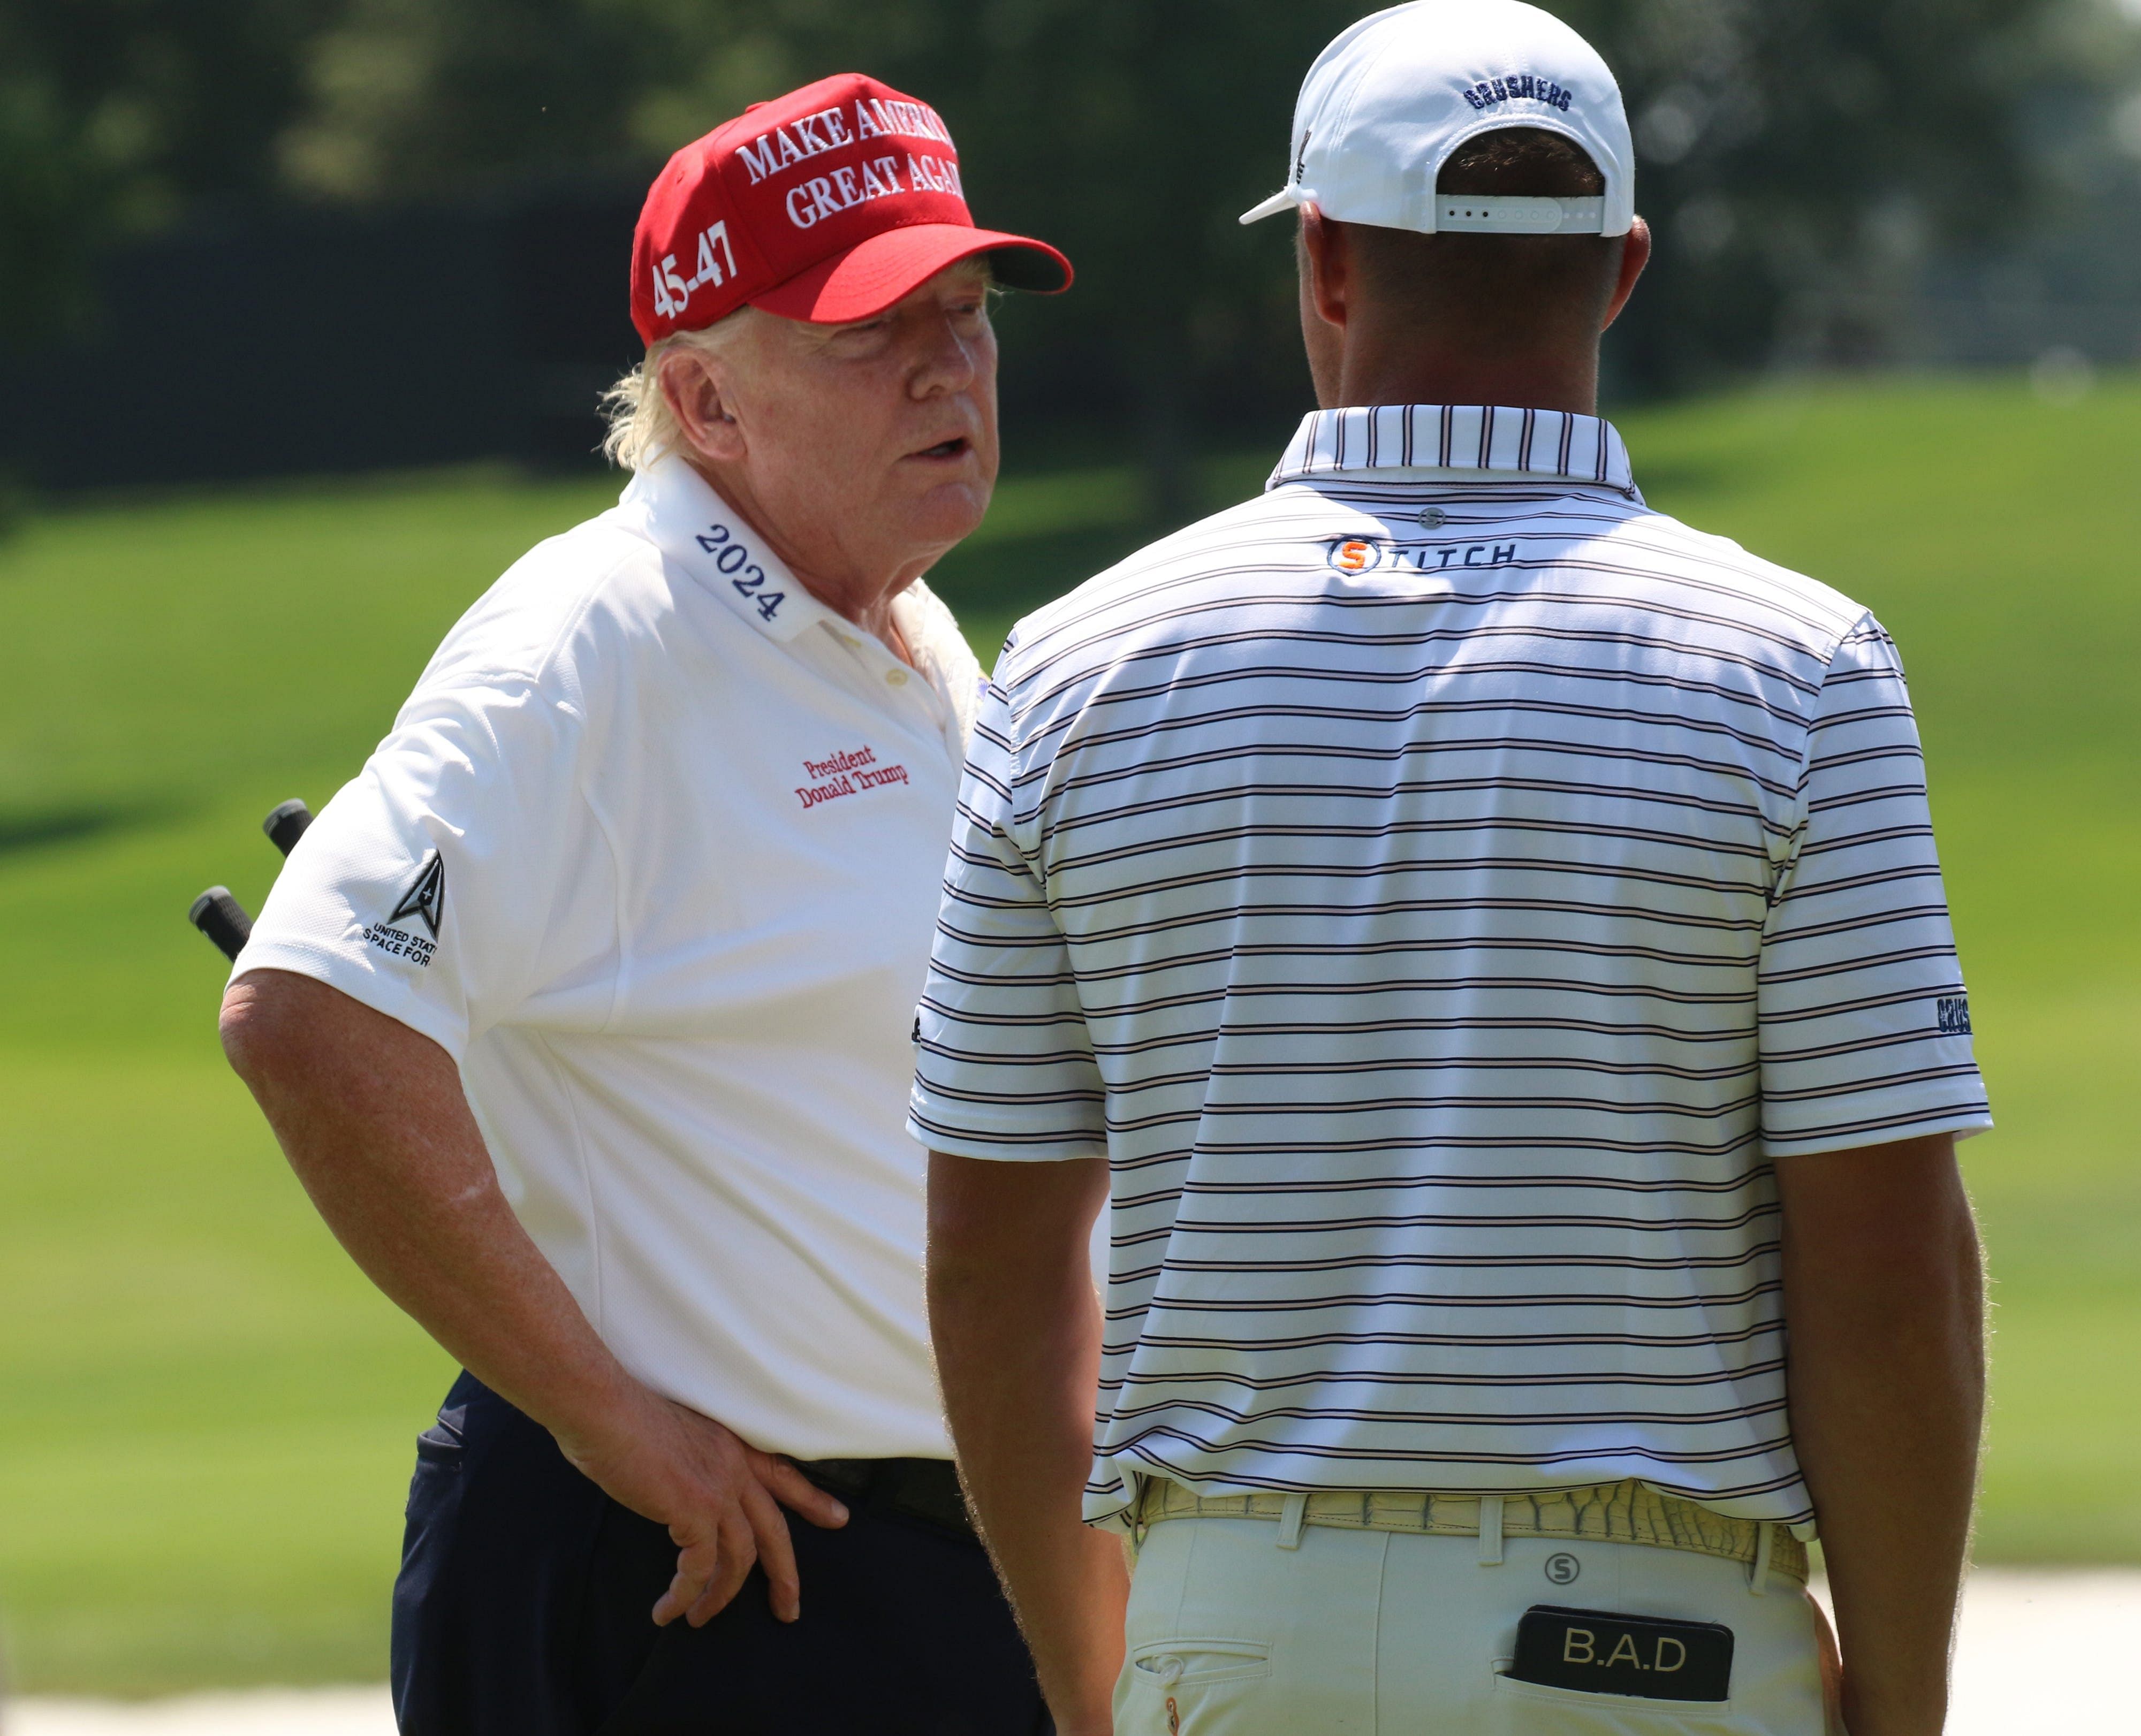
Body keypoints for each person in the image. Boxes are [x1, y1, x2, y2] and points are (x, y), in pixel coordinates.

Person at [916, 5, 1990, 1734]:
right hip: (1652, 1651)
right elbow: (1882, 1261)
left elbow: (992, 1247)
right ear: (1622, 270)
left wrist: (1084, 1664)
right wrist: (1909, 1701)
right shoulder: (1799, 667)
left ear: (1325, 261)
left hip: (1234, 1623)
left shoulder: (1072, 663)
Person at [219, 71, 1071, 1736]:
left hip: (908, 1579)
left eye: (965, 314)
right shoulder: (595, 642)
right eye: (867, 330)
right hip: (705, 1587)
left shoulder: (902, 629)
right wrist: (617, 1420)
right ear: (707, 397)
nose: (947, 364)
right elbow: (308, 1013)